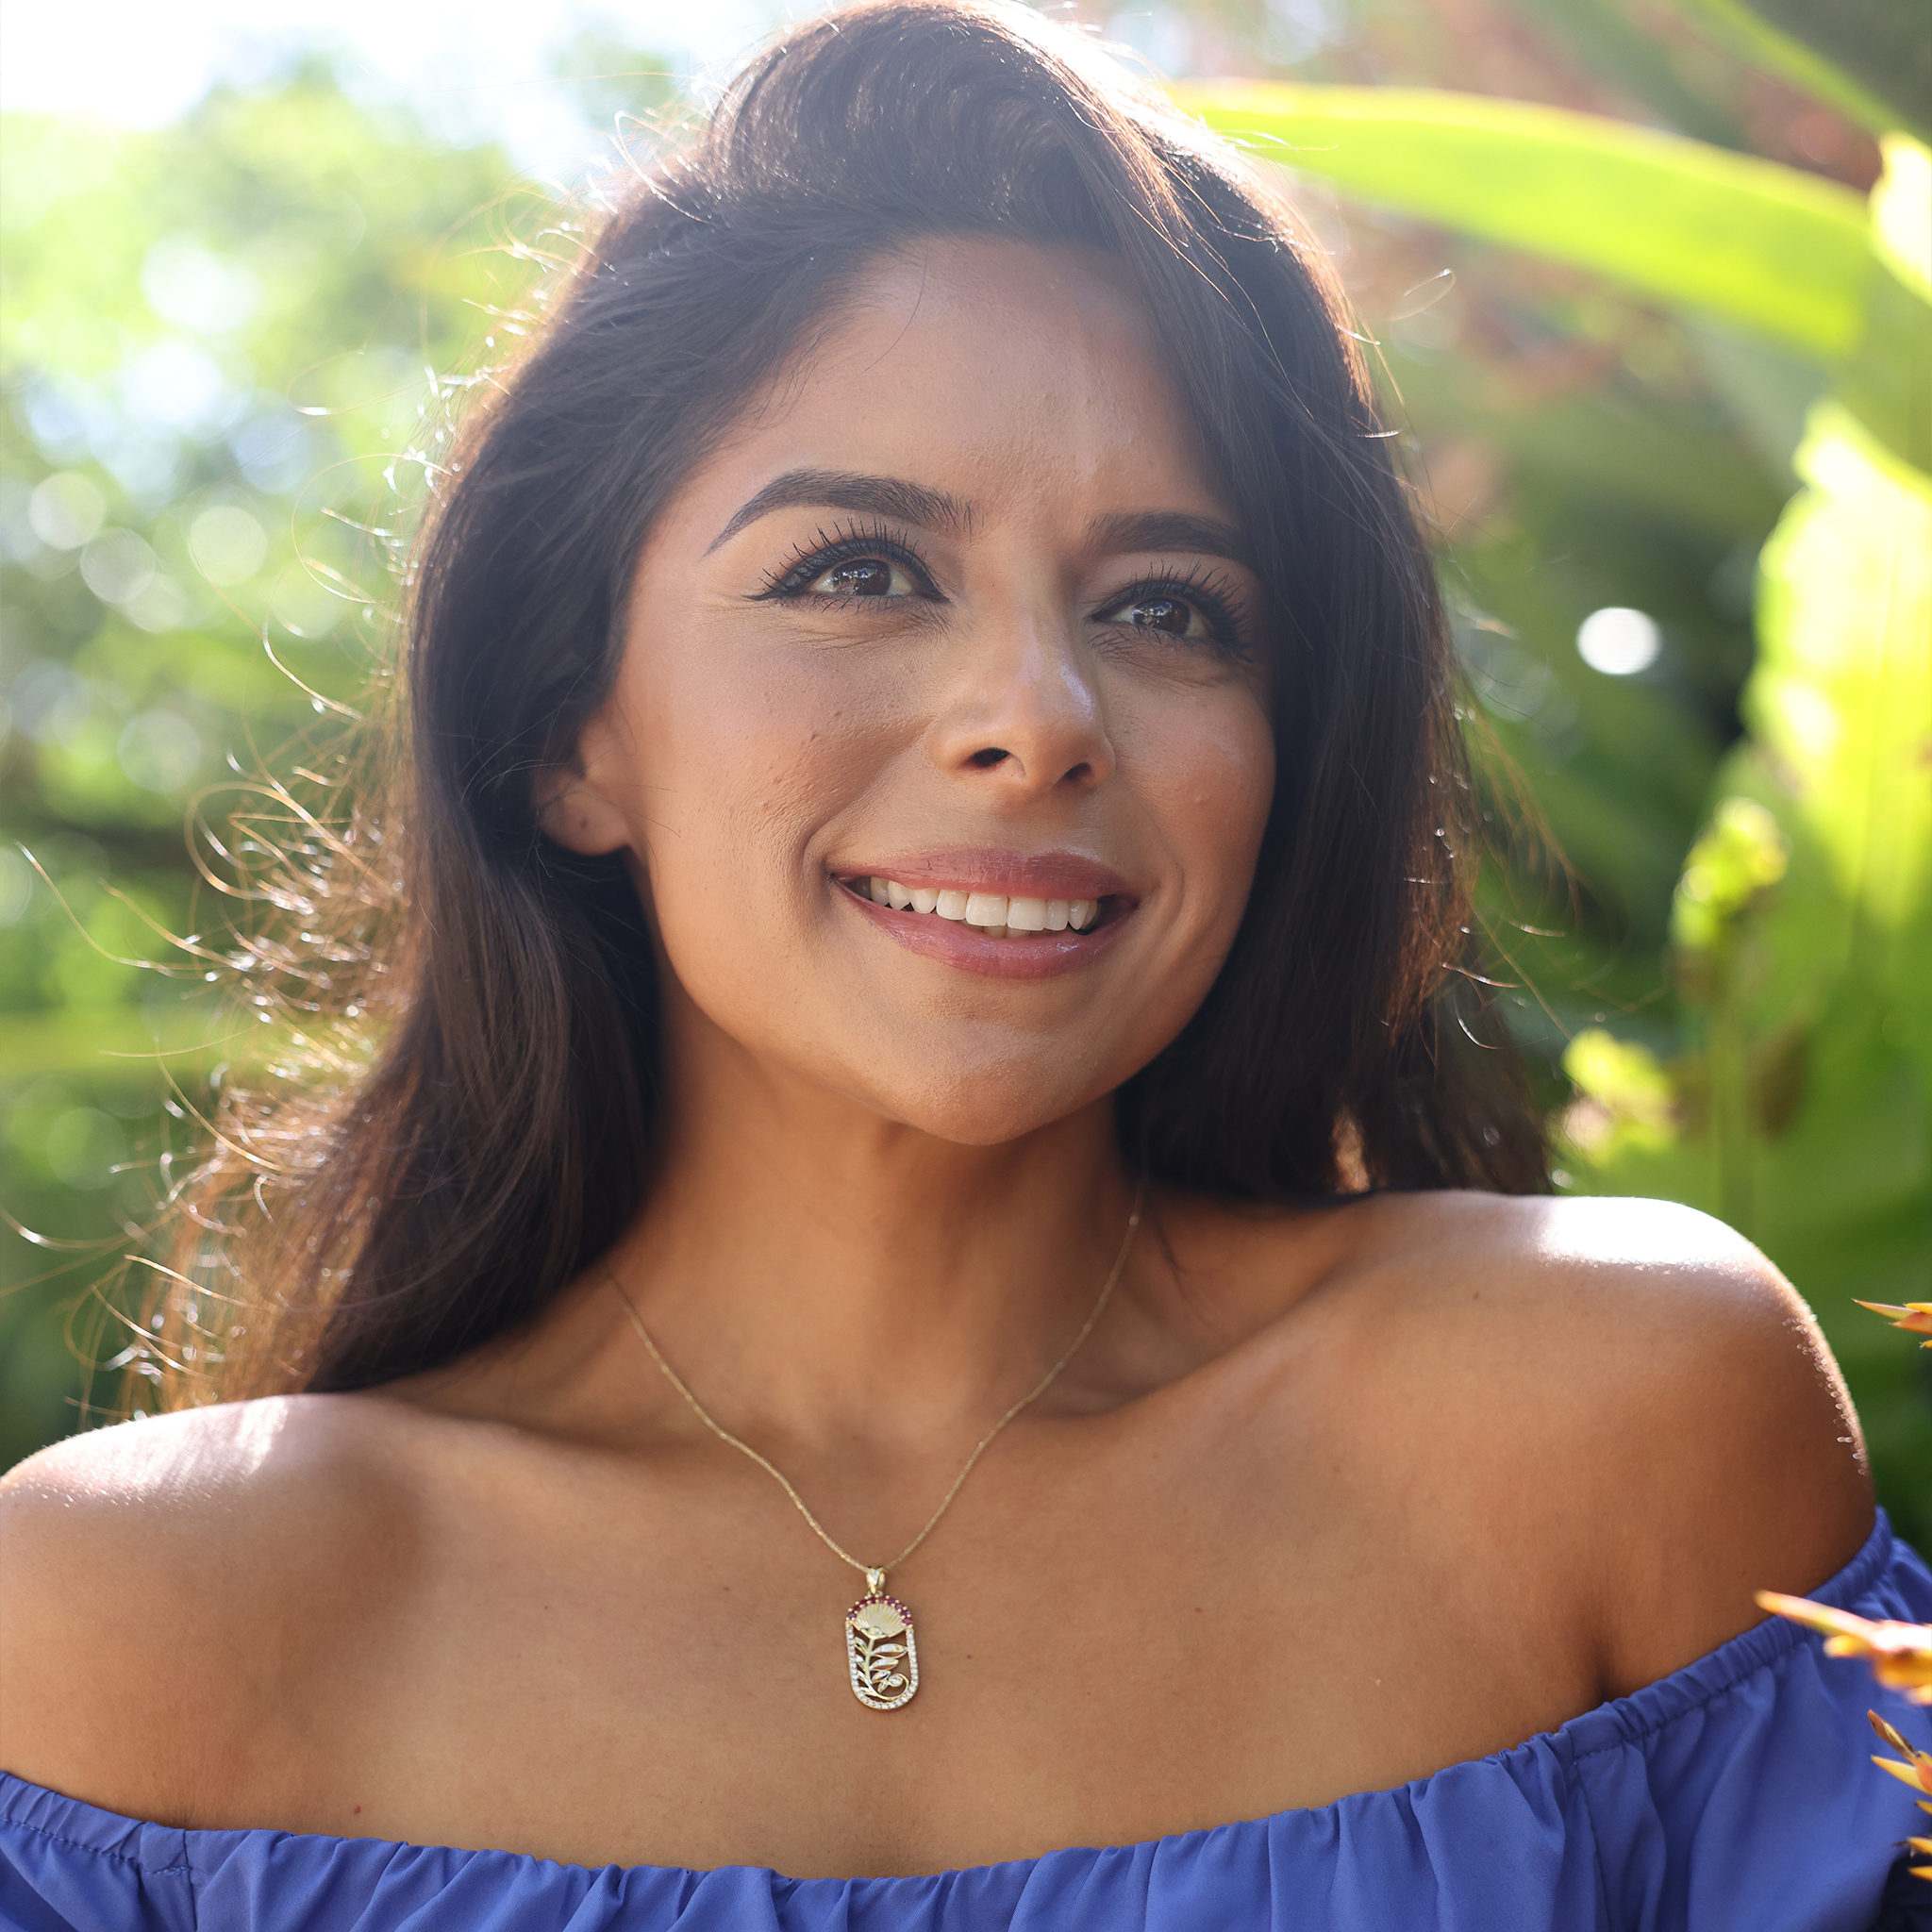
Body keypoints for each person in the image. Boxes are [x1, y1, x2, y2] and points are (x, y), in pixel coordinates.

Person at [2, 3, 1926, 1926]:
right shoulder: (135, 1628)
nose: (1037, 711)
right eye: (858, 569)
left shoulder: (1609, 1424)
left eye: (1168, 606)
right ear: (569, 730)